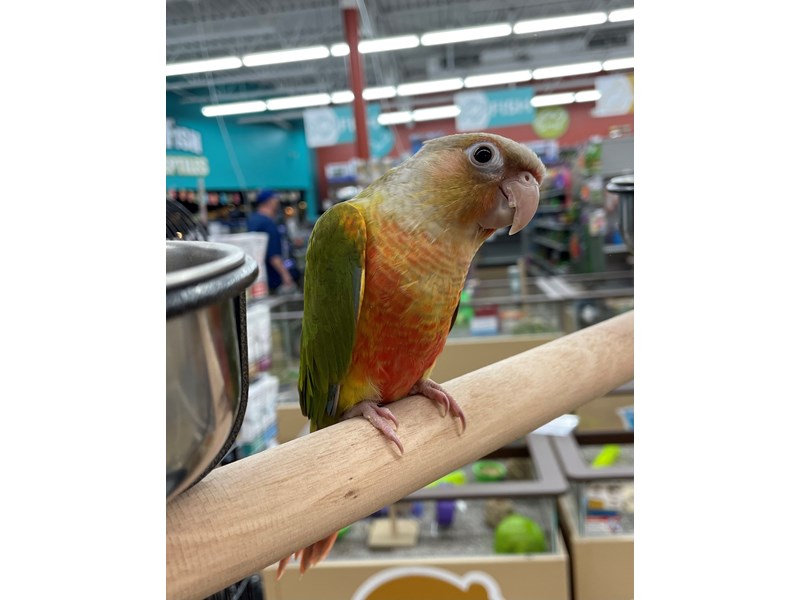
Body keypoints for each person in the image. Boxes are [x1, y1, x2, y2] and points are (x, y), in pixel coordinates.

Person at [247, 189, 297, 294]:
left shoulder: (253, 219)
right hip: (273, 278)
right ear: (269, 201)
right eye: (275, 200)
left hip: (259, 278)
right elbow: (273, 255)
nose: (277, 202)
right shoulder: (267, 223)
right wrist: (285, 275)